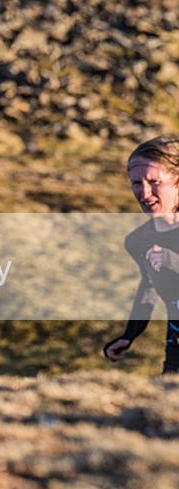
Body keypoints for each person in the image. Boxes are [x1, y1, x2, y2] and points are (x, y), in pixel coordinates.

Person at [104, 134, 179, 373]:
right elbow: (149, 286)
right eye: (137, 183)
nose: (145, 193)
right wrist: (130, 334)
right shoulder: (138, 241)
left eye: (154, 181)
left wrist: (170, 260)